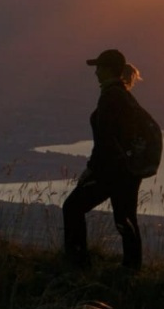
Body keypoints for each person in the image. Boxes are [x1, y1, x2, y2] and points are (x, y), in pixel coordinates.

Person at [62, 48, 146, 270]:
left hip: (111, 170)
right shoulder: (122, 95)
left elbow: (105, 141)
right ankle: (132, 268)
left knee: (72, 208)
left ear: (108, 70)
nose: (96, 72)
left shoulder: (111, 98)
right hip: (128, 170)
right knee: (126, 219)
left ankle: (77, 263)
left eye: (99, 67)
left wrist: (91, 170)